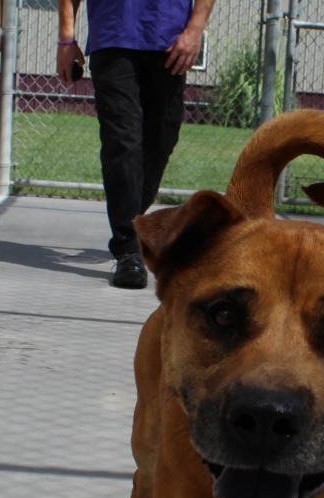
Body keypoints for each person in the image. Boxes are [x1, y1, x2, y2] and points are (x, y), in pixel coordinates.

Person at [57, 0, 215, 288]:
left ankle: (132, 224)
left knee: (162, 140)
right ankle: (129, 250)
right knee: (122, 140)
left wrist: (196, 28)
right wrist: (67, 38)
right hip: (112, 35)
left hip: (169, 39)